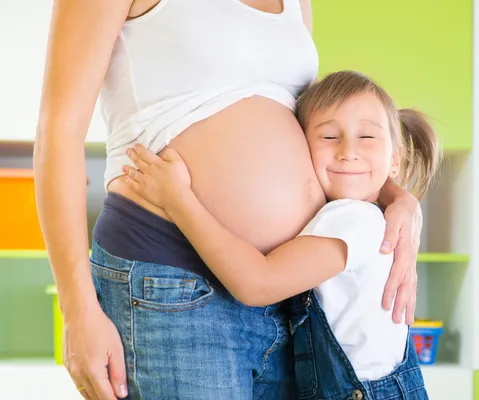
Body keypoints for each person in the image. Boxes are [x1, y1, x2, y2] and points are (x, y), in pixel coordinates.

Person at [34, 1, 424, 399]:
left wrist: (394, 198)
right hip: (172, 273)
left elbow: (316, 120)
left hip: (289, 299)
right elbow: (57, 131)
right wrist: (76, 309)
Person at [123, 70, 437, 399]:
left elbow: (258, 284)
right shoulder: (361, 216)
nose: (348, 151)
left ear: (395, 161)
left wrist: (178, 200)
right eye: (329, 137)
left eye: (367, 138)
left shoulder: (354, 221)